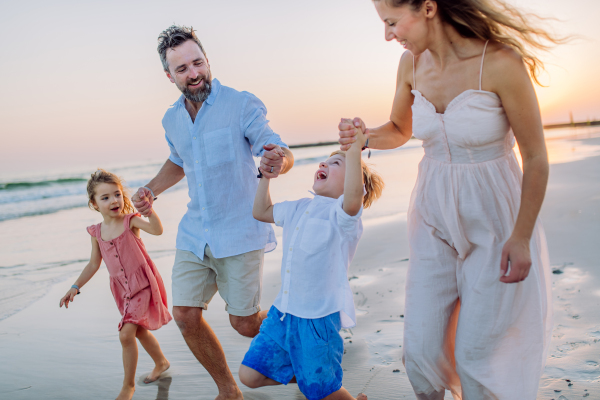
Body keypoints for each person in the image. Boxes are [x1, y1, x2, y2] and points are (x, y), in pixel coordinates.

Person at [338, 1, 561, 398]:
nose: (388, 34)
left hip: (496, 218)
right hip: (432, 211)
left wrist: (522, 236)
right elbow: (399, 129)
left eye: (391, 22)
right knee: (421, 353)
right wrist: (365, 136)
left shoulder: (500, 62)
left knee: (479, 358)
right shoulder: (410, 64)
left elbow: (538, 158)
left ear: (427, 7)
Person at [132, 25, 295, 400]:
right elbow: (179, 159)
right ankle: (228, 391)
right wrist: (151, 190)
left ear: (207, 60)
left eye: (197, 63)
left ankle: (302, 337)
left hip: (239, 230)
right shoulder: (172, 118)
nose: (193, 74)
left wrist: (278, 160)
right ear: (168, 75)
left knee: (244, 322)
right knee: (185, 315)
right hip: (195, 233)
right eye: (182, 69)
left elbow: (278, 149)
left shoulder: (240, 104)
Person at [239, 121, 383, 400]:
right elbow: (261, 211)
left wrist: (352, 151)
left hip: (318, 319)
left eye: (336, 162)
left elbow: (353, 198)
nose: (325, 163)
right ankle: (305, 371)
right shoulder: (298, 207)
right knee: (250, 376)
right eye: (326, 160)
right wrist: (265, 177)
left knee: (320, 392)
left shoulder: (344, 217)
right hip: (283, 313)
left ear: (355, 183)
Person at [59, 169, 172, 400]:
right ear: (94, 203)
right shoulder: (96, 232)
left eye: (117, 194)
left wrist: (149, 211)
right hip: (122, 291)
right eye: (105, 197)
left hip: (143, 286)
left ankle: (128, 386)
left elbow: (158, 230)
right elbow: (93, 264)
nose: (114, 201)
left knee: (125, 333)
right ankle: (161, 362)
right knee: (138, 331)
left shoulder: (131, 221)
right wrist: (75, 286)